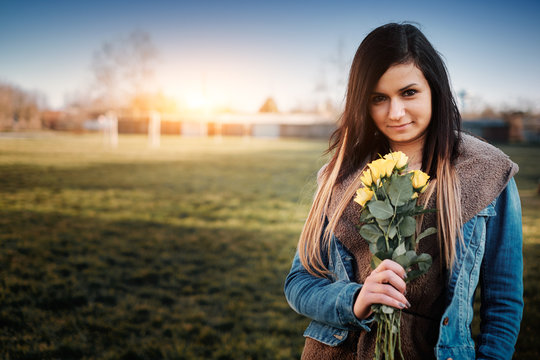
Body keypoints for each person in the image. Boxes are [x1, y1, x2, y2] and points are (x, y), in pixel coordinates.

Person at [284, 23, 523, 360]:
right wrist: (356, 299)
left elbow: (503, 305)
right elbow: (299, 283)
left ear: (434, 89)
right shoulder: (339, 175)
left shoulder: (489, 172)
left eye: (409, 92)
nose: (395, 113)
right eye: (378, 98)